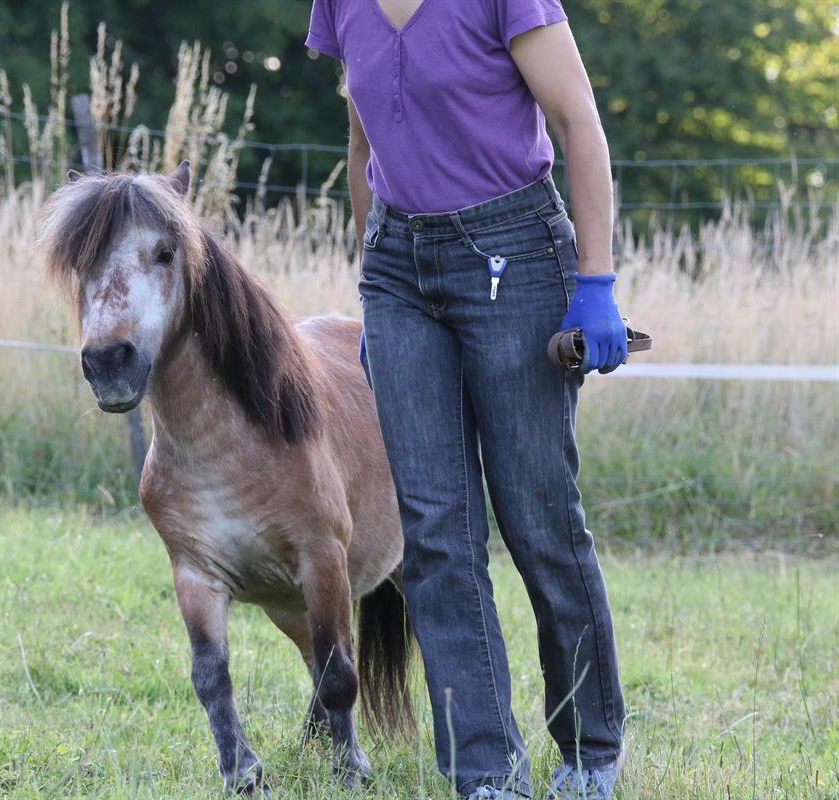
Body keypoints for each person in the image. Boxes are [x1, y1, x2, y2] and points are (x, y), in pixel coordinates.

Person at [305, 1, 628, 798]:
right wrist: (374, 295)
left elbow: (578, 120)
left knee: (538, 518)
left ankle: (591, 750)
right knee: (438, 539)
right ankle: (487, 772)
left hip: (515, 254)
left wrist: (595, 284)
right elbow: (361, 144)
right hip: (398, 268)